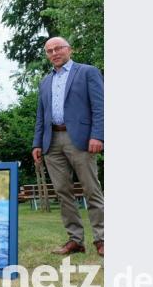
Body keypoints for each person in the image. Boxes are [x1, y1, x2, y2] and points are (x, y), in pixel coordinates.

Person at [32, 37, 104, 256]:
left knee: (92, 190)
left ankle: (102, 239)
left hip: (80, 139)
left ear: (69, 49)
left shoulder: (87, 72)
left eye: (58, 48)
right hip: (51, 141)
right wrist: (37, 143)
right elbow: (40, 116)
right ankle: (75, 240)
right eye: (49, 50)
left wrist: (98, 136)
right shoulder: (45, 81)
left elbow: (100, 107)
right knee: (63, 192)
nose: (54, 53)